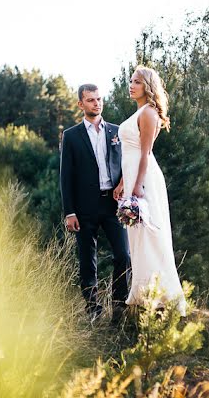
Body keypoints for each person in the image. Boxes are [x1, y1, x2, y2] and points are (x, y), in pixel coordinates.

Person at [116, 66, 187, 315]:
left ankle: (161, 294)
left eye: (136, 82)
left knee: (150, 236)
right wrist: (123, 183)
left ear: (147, 86)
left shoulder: (148, 113)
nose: (131, 85)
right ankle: (143, 293)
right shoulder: (138, 112)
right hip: (132, 177)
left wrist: (136, 187)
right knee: (136, 238)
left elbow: (145, 153)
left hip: (145, 179)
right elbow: (130, 154)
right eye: (131, 81)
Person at [60, 84, 130, 321]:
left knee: (123, 254)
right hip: (84, 208)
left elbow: (126, 164)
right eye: (90, 100)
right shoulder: (71, 136)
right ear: (81, 104)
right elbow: (65, 176)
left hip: (112, 205)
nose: (96, 103)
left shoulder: (116, 131)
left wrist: (122, 184)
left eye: (99, 99)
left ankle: (119, 305)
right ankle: (93, 310)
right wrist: (70, 212)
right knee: (88, 262)